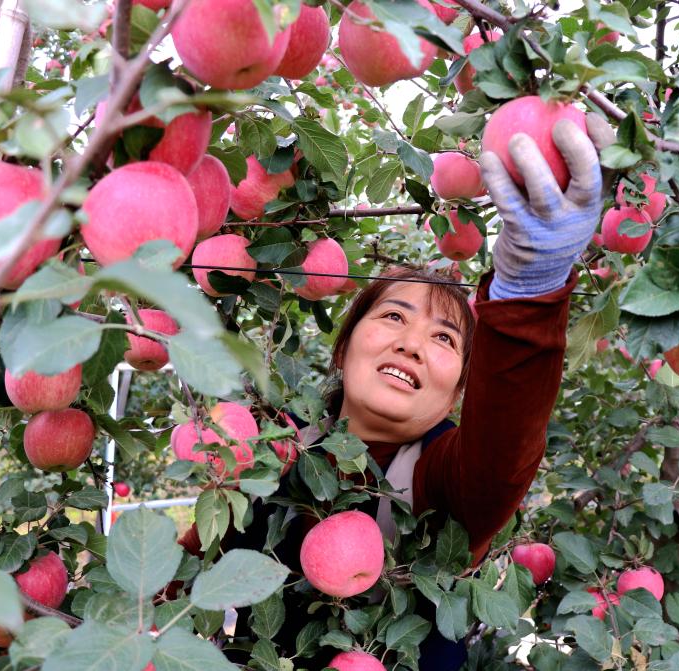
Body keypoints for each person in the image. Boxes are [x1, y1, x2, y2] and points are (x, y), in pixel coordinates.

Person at [178, 118, 608, 668]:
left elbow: (503, 448)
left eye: (444, 338)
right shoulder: (272, 445)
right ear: (344, 348)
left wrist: (530, 291)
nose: (411, 344)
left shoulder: (446, 478)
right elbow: (186, 572)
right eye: (393, 316)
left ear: (458, 390)